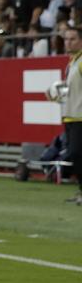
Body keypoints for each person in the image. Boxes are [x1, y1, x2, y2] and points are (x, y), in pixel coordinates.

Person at [59, 26, 82, 204]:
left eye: (72, 39)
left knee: (76, 153)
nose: (68, 42)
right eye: (66, 39)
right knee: (75, 155)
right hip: (70, 115)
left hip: (79, 116)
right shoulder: (71, 62)